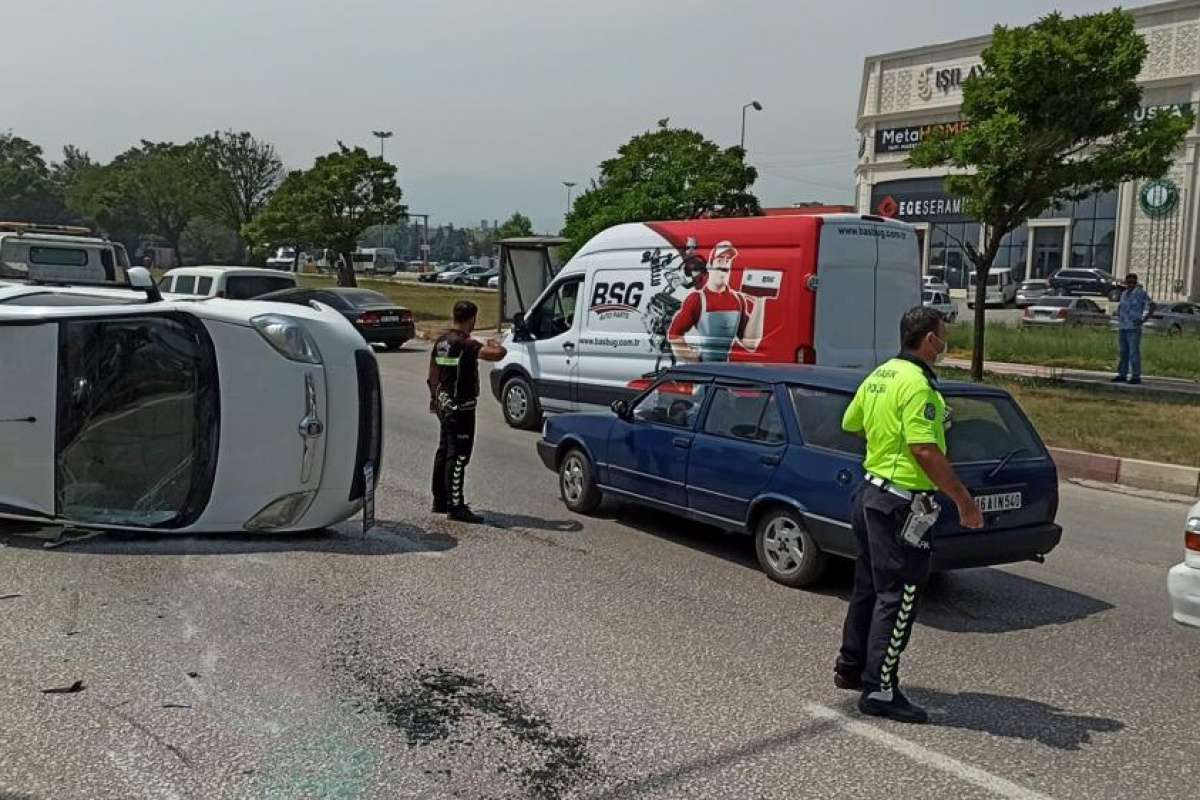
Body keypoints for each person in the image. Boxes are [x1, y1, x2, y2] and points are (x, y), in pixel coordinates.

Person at [834, 306, 984, 724]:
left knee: (868, 586)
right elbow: (924, 449)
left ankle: (851, 666)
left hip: (870, 494)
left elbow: (852, 422)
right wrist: (964, 501)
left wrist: (886, 443)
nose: (945, 341)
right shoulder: (918, 387)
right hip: (900, 503)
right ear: (928, 340)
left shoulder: (880, 376)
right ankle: (880, 688)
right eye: (942, 334)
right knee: (898, 595)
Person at [427, 300, 507, 523]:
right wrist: (496, 343)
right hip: (461, 407)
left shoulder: (442, 341)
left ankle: (440, 499)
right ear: (472, 318)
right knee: (459, 455)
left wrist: (433, 396)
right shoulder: (466, 344)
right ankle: (456, 505)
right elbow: (496, 354)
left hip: (444, 403)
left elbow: (433, 370)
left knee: (444, 451)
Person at [667, 241, 766, 362]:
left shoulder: (738, 300)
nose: (724, 262)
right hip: (705, 374)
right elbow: (674, 335)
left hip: (724, 371)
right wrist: (694, 360)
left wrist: (760, 303)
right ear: (709, 265)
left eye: (728, 260)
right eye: (720, 258)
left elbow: (750, 345)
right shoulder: (697, 299)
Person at [1113, 272, 1152, 385]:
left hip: (1134, 327)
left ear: (1136, 282)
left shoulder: (1140, 293)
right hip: (1123, 326)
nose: (1130, 284)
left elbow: (1152, 305)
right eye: (1128, 282)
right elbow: (1121, 306)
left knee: (1134, 352)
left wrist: (1144, 319)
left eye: (1132, 282)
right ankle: (1122, 374)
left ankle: (1135, 375)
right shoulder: (1124, 293)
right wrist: (1118, 314)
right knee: (1123, 352)